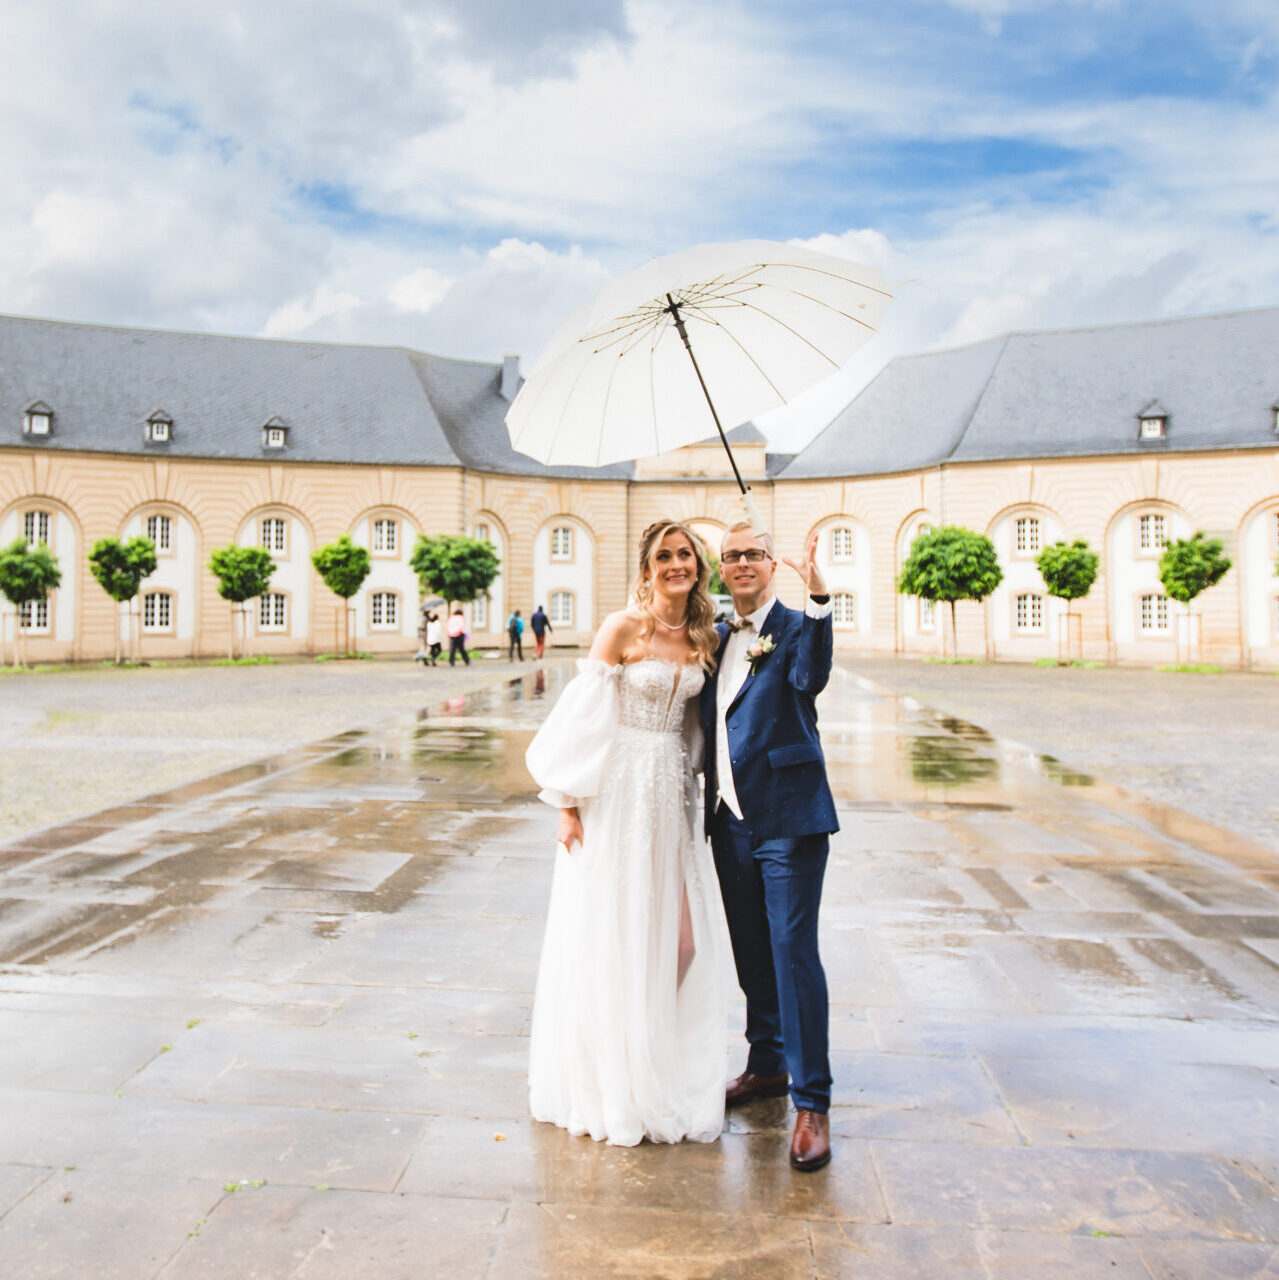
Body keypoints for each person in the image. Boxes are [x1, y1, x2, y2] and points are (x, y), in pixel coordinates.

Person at [524, 520, 726, 1146]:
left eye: (684, 555)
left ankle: (652, 1053)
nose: (675, 564)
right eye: (663, 556)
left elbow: (699, 729)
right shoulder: (621, 629)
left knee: (682, 942)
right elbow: (580, 722)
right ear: (646, 568)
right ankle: (616, 1075)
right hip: (616, 793)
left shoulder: (703, 636)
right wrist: (566, 803)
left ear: (698, 565)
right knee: (616, 932)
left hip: (670, 795)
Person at [700, 520, 837, 1172]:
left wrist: (818, 599)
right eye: (731, 557)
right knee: (751, 953)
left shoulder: (791, 628)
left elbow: (809, 678)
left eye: (752, 553)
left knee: (791, 954)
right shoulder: (719, 637)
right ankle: (766, 1066)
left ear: (771, 563)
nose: (742, 564)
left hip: (788, 818)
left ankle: (812, 1103)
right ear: (721, 569)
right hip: (729, 820)